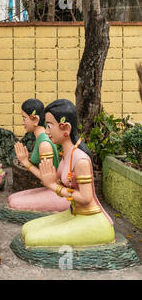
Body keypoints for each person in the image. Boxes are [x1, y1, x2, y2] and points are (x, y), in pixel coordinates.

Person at [21, 99, 115, 247]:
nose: (46, 131)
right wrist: (50, 180)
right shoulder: (68, 154)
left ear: (66, 128)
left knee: (32, 238)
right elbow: (59, 182)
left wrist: (53, 186)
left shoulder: (80, 160)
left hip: (90, 219)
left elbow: (86, 197)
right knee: (27, 229)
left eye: (49, 126)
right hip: (74, 212)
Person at [8, 99, 71, 212]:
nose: (23, 122)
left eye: (24, 118)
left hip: (57, 190)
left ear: (35, 119)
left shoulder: (44, 144)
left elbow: (49, 178)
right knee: (11, 198)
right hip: (50, 188)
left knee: (13, 202)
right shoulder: (40, 139)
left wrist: (25, 162)